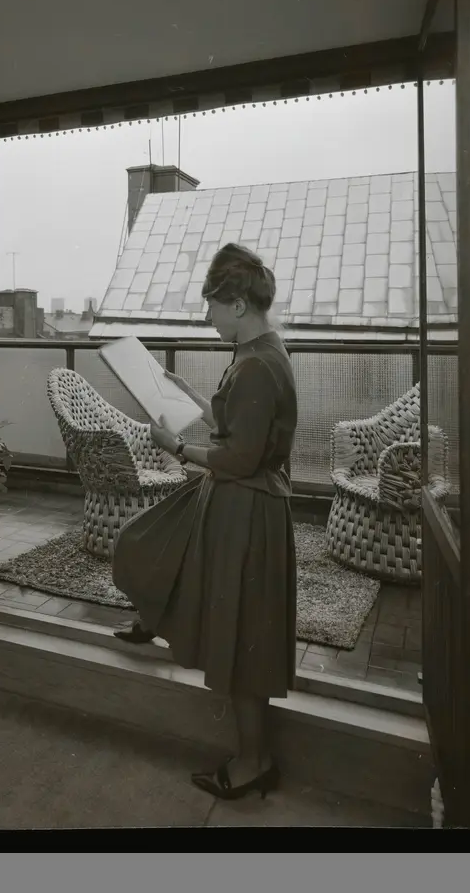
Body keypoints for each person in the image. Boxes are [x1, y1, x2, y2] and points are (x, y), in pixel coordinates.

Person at [111, 242, 298, 801]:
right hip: (244, 502)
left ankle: (253, 763)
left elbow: (238, 457)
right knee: (149, 542)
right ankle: (155, 616)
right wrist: (192, 394)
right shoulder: (259, 350)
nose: (207, 316)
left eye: (212, 306)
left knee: (241, 638)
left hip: (246, 506)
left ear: (237, 304)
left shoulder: (257, 364)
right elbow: (243, 421)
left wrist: (175, 447)